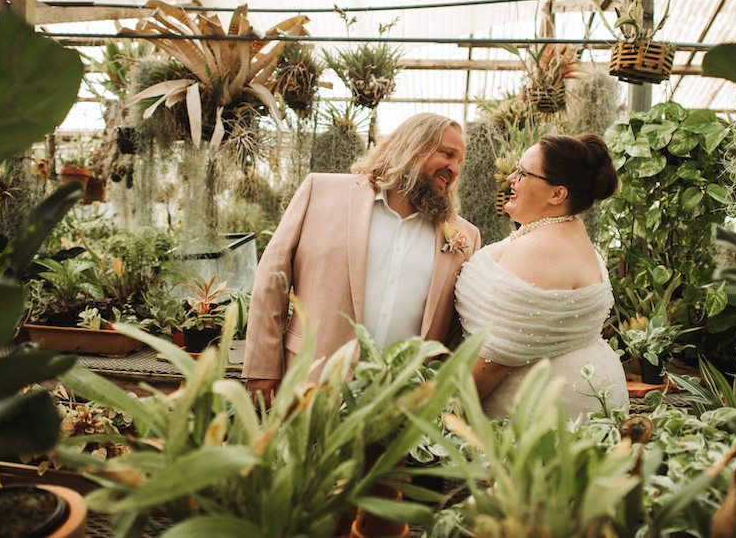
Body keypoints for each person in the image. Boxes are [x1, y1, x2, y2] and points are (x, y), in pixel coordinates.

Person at [243, 113, 482, 404]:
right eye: (447, 154)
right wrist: (262, 368)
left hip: (400, 405)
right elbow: (272, 281)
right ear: (412, 145)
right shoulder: (320, 192)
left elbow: (457, 332)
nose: (454, 169)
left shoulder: (465, 236)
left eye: (460, 162)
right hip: (310, 384)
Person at [455, 132, 628, 419]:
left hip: (541, 414)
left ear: (557, 194)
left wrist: (442, 413)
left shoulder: (542, 249)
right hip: (584, 392)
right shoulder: (570, 233)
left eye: (523, 173)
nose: (511, 179)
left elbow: (496, 360)